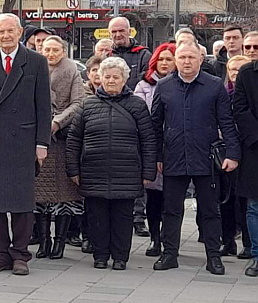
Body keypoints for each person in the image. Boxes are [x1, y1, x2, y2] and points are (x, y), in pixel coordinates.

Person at [0, 13, 51, 276]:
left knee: (21, 201)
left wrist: (41, 143)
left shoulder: (36, 62)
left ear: (20, 32)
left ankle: (20, 254)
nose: (5, 36)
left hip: (22, 140)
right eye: (0, 31)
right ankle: (0, 253)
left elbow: (43, 106)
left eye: (10, 31)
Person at [151, 41, 240, 275]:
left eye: (192, 57)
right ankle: (169, 254)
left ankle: (213, 257)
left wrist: (232, 154)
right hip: (173, 157)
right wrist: (156, 157)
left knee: (210, 210)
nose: (187, 62)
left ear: (201, 59)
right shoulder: (164, 86)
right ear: (175, 60)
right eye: (182, 58)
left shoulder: (214, 86)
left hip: (206, 158)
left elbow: (227, 122)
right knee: (171, 210)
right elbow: (155, 126)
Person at [66, 56, 157, 270]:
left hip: (126, 172)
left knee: (123, 218)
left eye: (116, 77)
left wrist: (148, 171)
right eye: (107, 77)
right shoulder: (87, 105)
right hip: (94, 171)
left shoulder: (137, 105)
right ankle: (100, 255)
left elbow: (148, 139)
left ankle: (120, 257)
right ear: (100, 78)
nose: (111, 80)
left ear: (125, 79)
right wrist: (73, 169)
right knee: (97, 217)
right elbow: (74, 139)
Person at [34, 36, 83, 260]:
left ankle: (60, 242)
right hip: (38, 136)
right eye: (47, 49)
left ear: (63, 51)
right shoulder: (35, 68)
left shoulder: (72, 71)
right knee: (40, 192)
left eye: (55, 50)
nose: (51, 54)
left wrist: (58, 121)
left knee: (64, 193)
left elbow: (79, 102)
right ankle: (43, 241)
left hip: (63, 137)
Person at [133, 43, 176, 257]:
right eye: (161, 59)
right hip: (152, 144)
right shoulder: (144, 85)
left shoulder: (181, 84)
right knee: (154, 196)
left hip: (175, 147)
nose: (165, 63)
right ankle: (155, 239)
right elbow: (141, 113)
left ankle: (170, 239)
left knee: (173, 198)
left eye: (169, 59)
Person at [222, 55, 252, 259]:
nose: (235, 74)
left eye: (240, 70)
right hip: (225, 153)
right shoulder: (222, 93)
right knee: (226, 200)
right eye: (232, 70)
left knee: (245, 201)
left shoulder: (250, 93)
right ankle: (228, 241)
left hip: (247, 151)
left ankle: (249, 244)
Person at [233, 48, 258, 276]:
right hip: (255, 147)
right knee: (254, 205)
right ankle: (257, 256)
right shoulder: (247, 73)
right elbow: (240, 108)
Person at [108, 17, 150, 90]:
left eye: (121, 31)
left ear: (129, 31)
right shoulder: (106, 57)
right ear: (109, 34)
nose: (118, 35)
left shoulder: (144, 55)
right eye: (114, 31)